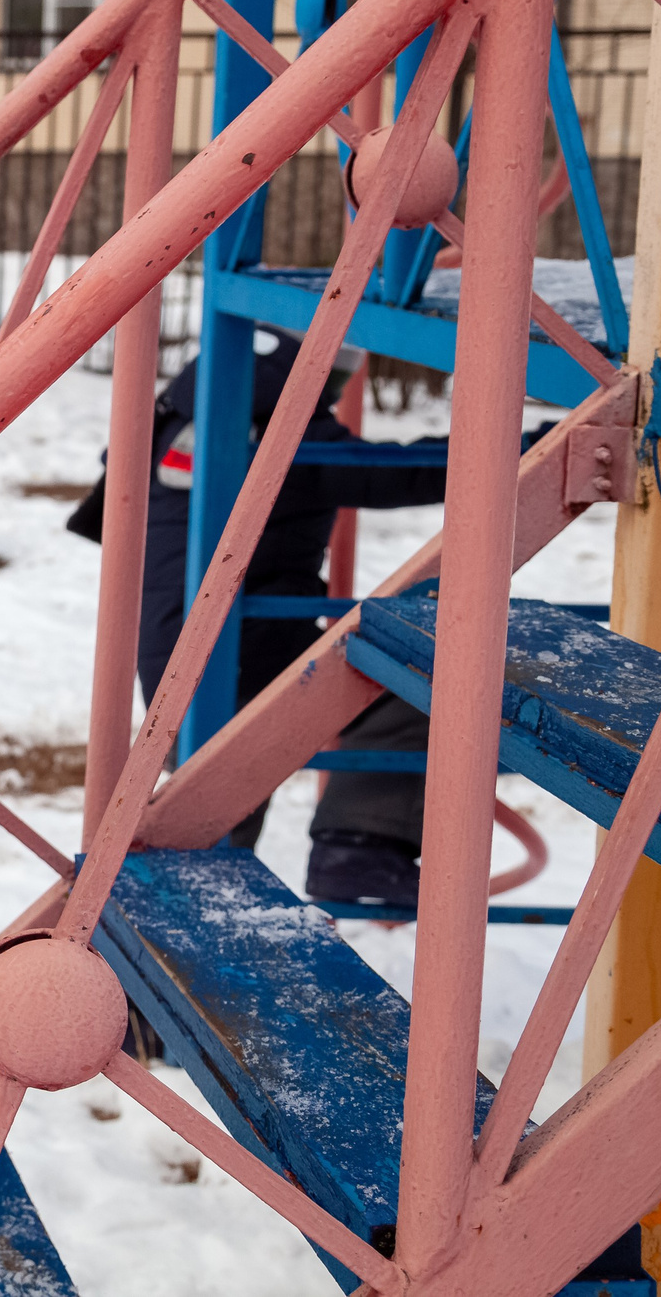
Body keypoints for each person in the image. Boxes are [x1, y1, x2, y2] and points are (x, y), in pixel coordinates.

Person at [67, 333, 446, 904]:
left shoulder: (173, 422)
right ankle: (361, 842)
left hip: (171, 660)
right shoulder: (289, 442)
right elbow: (409, 472)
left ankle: (177, 930)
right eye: (335, 381)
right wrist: (545, 444)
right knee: (416, 670)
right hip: (250, 649)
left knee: (214, 810)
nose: (335, 396)